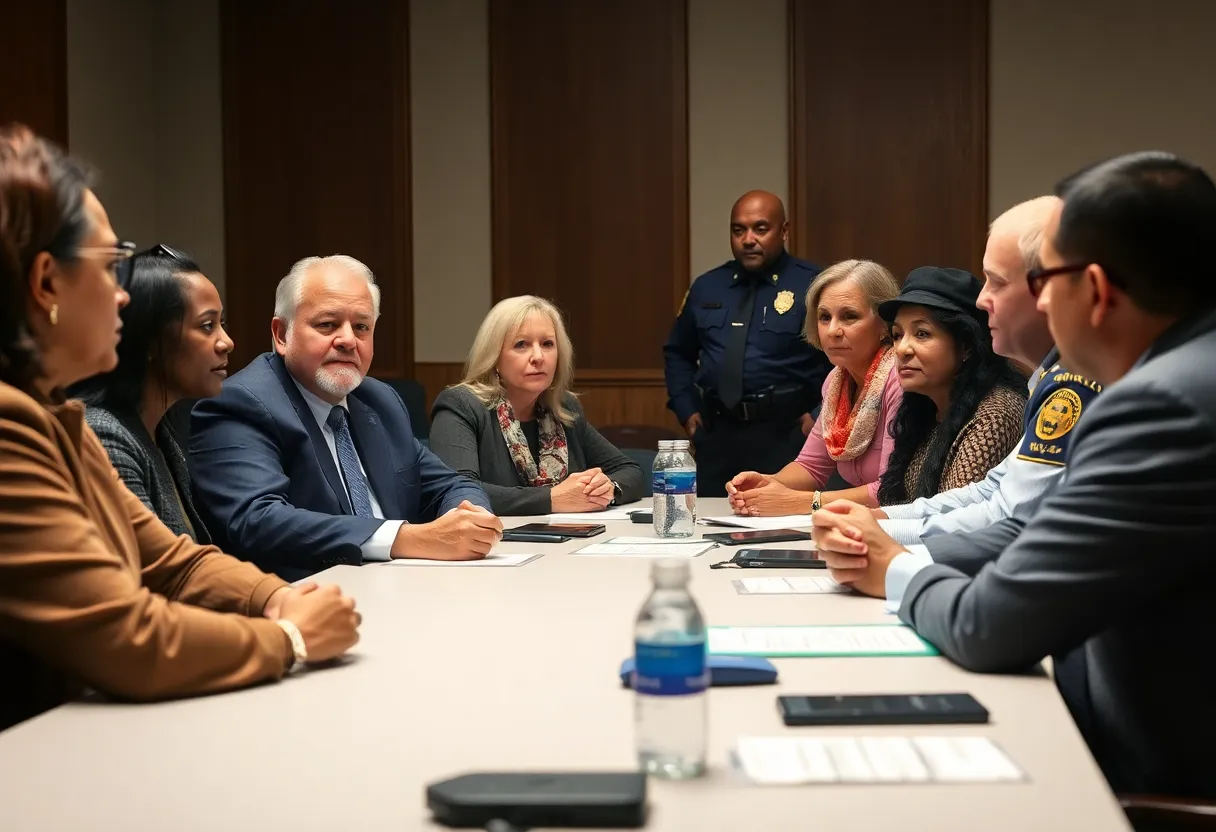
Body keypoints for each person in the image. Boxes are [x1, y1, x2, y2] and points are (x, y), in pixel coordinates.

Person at [812, 151, 1216, 798]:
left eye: (1044, 278)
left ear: (1098, 290)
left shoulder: (1159, 403)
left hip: (1149, 778)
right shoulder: (1182, 372)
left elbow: (988, 626)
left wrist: (892, 567)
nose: (1032, 297)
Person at [0, 125, 360, 731]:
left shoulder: (56, 415)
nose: (123, 296)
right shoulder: (12, 425)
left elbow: (173, 562)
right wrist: (291, 639)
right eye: (110, 264)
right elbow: (126, 636)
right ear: (45, 283)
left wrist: (276, 597)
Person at [190, 255, 502, 581]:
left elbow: (451, 485)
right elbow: (256, 519)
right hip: (304, 605)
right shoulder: (240, 403)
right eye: (327, 324)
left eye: (361, 327)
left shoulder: (379, 401)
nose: (348, 340)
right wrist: (408, 539)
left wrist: (468, 520)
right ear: (281, 334)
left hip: (405, 590)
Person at [876, 198, 1103, 546]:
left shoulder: (1072, 385)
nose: (982, 300)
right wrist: (880, 520)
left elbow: (1009, 516)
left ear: (1046, 291)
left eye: (996, 282)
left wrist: (881, 537)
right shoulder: (1049, 376)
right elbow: (993, 488)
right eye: (897, 335)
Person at [663, 190, 831, 496]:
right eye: (738, 230)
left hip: (787, 435)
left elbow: (842, 359)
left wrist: (819, 417)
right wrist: (687, 411)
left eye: (760, 229)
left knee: (780, 527)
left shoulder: (813, 284)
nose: (748, 239)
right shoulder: (707, 286)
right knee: (712, 523)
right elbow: (678, 352)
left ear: (784, 231)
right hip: (717, 435)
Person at [68, 245, 230, 543]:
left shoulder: (162, 433)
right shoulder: (104, 436)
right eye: (207, 326)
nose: (226, 343)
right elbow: (156, 569)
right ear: (151, 341)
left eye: (222, 324)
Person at [429, 295, 645, 515]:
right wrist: (553, 499)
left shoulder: (563, 407)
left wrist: (608, 488)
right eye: (521, 345)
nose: (538, 356)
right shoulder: (461, 405)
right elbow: (458, 492)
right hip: (495, 544)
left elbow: (630, 471)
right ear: (494, 358)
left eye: (547, 344)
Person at [726, 259, 902, 515]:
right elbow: (810, 466)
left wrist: (799, 502)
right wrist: (767, 485)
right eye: (824, 317)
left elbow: (890, 491)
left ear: (885, 324)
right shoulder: (836, 381)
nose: (832, 330)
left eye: (849, 316)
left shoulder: (900, 378)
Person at [875, 267, 1027, 505]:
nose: (902, 349)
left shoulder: (995, 414)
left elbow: (951, 518)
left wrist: (874, 522)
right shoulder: (924, 408)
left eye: (922, 334)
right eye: (897, 335)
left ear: (966, 346)